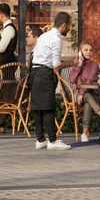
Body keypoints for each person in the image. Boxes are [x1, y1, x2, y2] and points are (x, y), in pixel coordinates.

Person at [28, 11, 72, 149]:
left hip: (34, 72)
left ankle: (40, 140)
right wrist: (73, 63)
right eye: (70, 26)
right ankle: (52, 141)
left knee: (37, 109)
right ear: (64, 25)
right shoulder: (57, 39)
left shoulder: (43, 36)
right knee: (48, 108)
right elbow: (56, 65)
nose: (70, 29)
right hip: (44, 73)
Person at [65, 40, 100, 142]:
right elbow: (72, 80)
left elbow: (89, 81)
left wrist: (82, 93)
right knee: (87, 97)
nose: (89, 52)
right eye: (86, 50)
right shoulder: (76, 65)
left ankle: (84, 134)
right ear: (80, 52)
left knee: (88, 101)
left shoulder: (94, 65)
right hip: (79, 96)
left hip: (93, 96)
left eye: (90, 50)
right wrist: (79, 66)